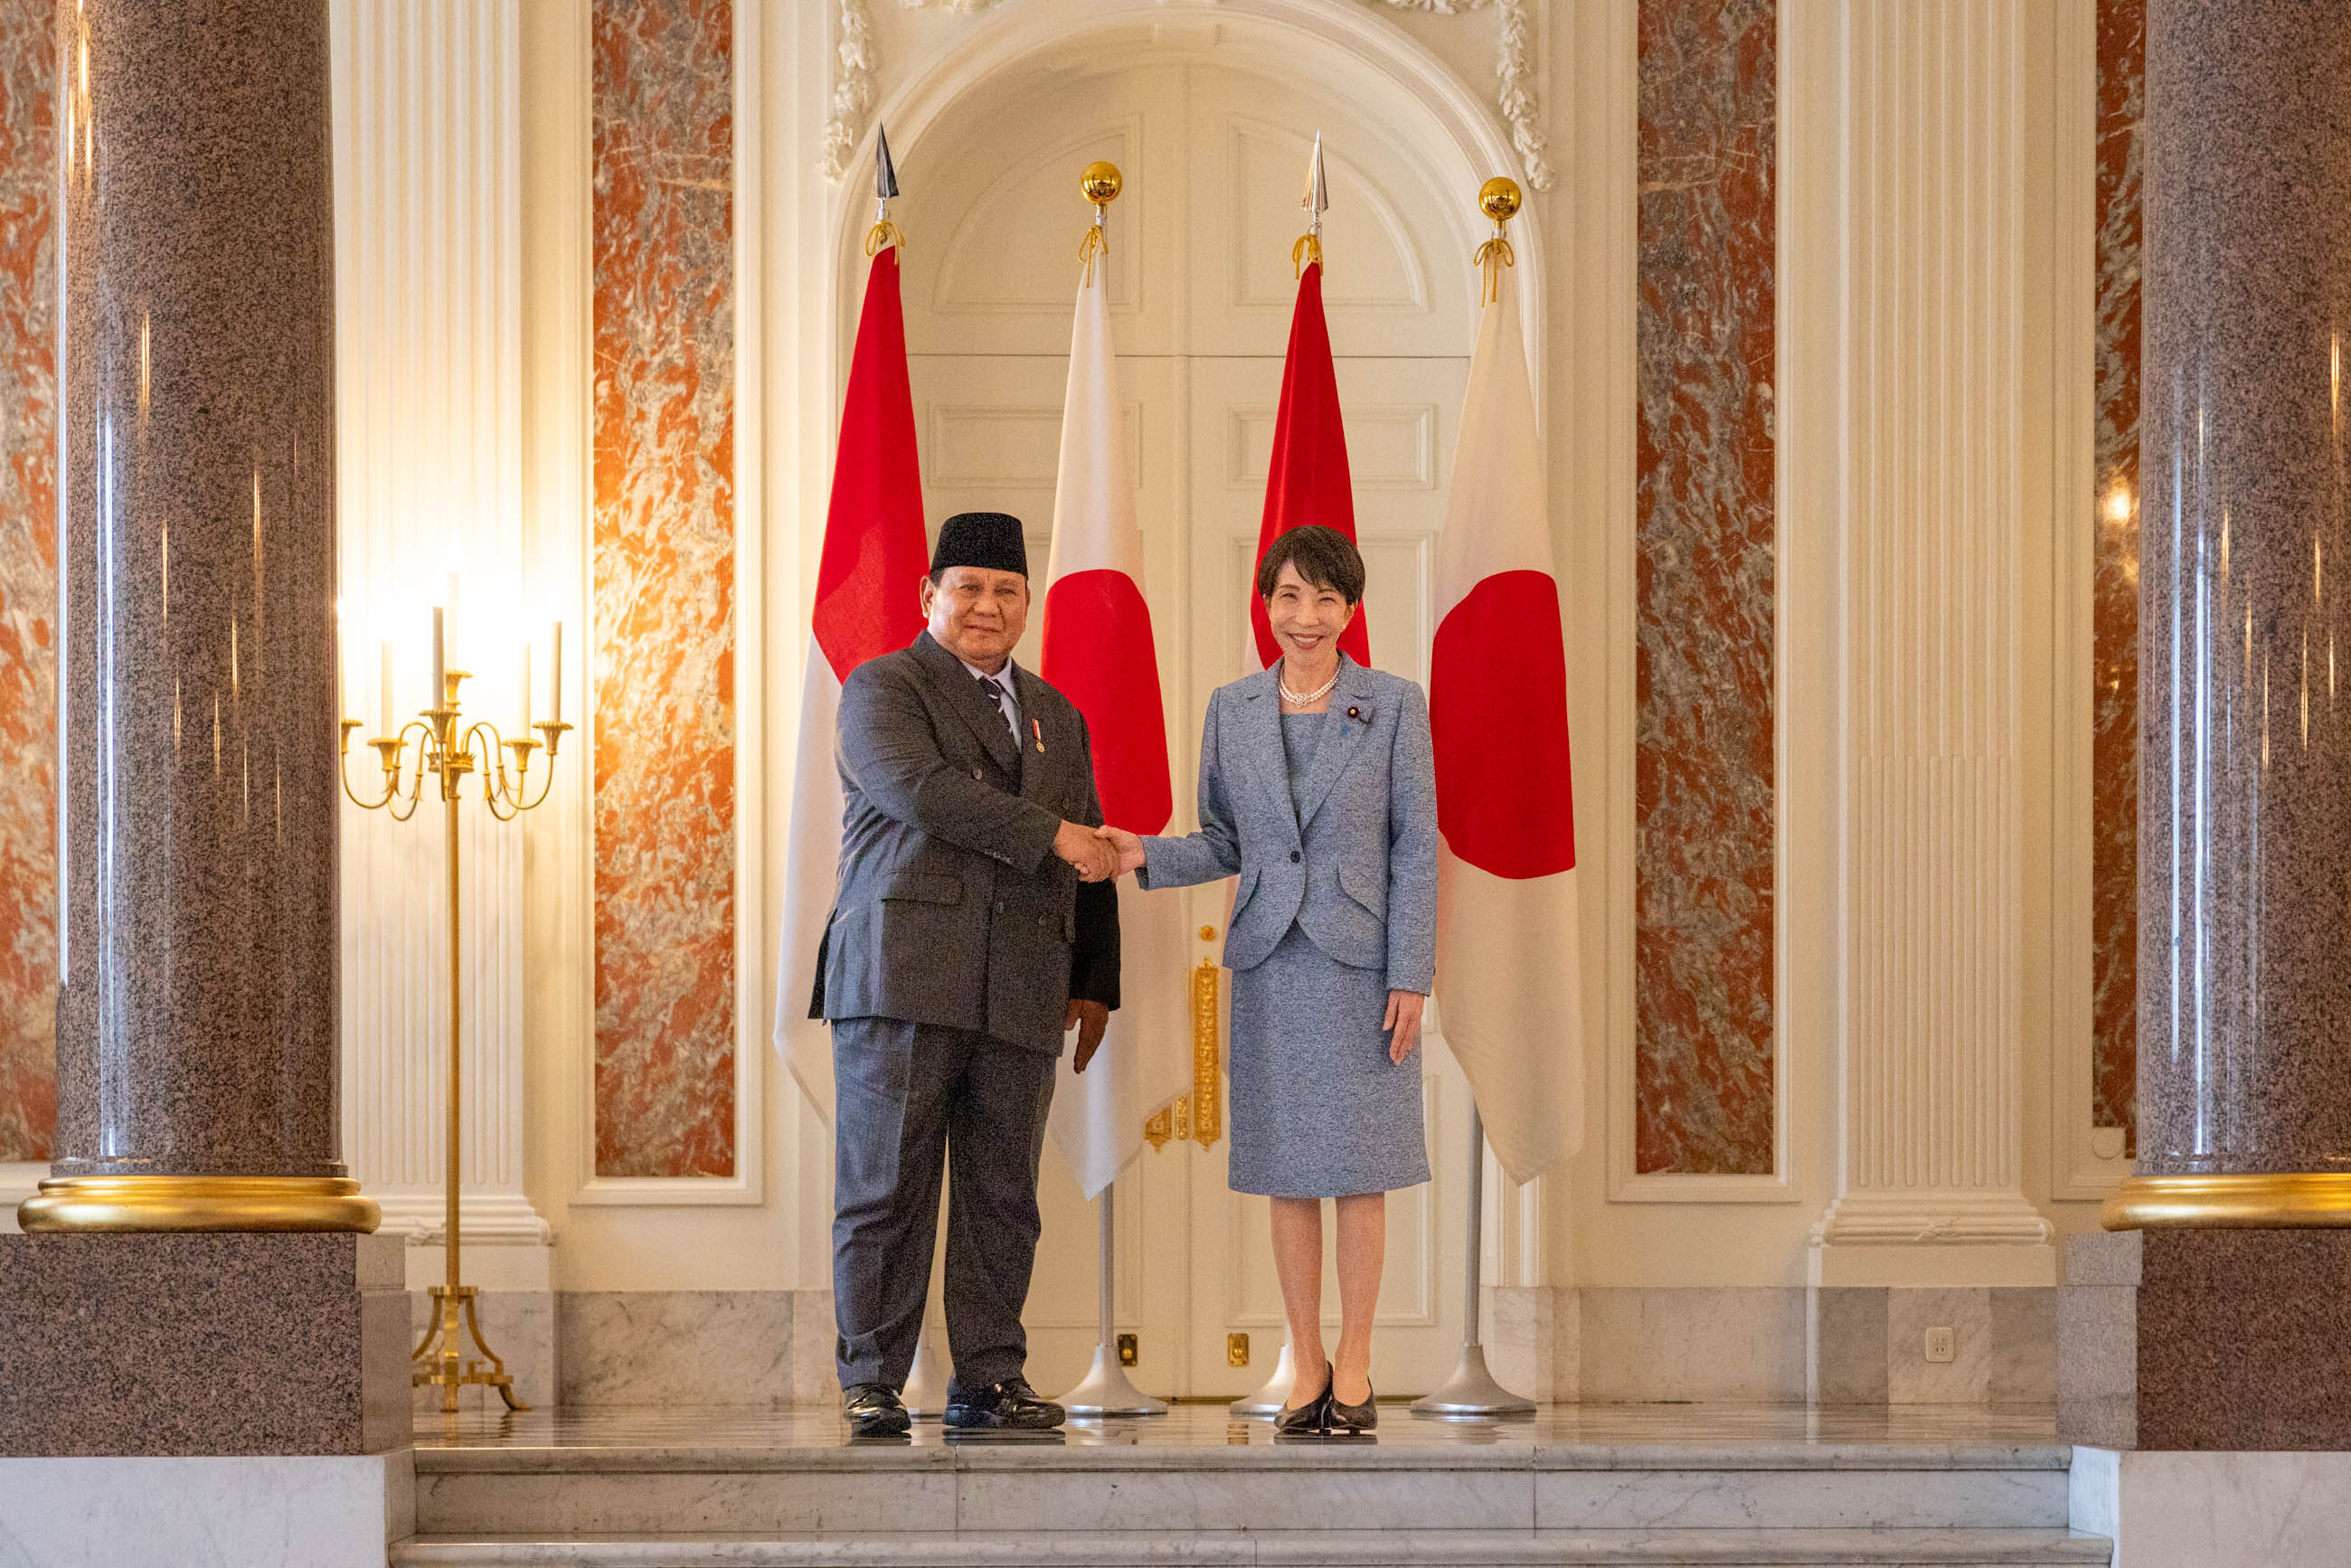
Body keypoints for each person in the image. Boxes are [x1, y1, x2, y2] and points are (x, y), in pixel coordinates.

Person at [1102, 524, 1436, 1436]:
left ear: (1350, 608)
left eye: (1325, 598)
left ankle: (1358, 1363)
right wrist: (1145, 855)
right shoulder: (1230, 708)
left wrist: (1411, 971)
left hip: (1364, 970)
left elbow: (1414, 849)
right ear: (1266, 603)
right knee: (1289, 1173)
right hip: (1269, 964)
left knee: (1360, 1172)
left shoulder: (1395, 704)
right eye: (1288, 596)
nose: (1306, 616)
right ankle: (1306, 1364)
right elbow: (1222, 841)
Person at [810, 510, 1121, 1438]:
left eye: (1005, 591)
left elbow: (1092, 842)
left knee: (1001, 1197)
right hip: (901, 976)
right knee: (883, 1190)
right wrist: (1050, 833)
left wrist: (1094, 978)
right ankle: (871, 1378)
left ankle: (988, 1378)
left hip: (1021, 982)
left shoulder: (1055, 715)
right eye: (969, 588)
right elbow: (922, 791)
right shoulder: (881, 688)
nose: (986, 606)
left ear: (1026, 604)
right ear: (929, 597)